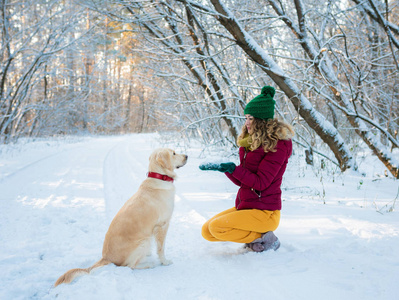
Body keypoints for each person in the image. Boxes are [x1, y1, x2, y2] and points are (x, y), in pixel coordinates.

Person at [199, 86, 294, 252]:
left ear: (261, 121)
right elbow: (243, 181)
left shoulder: (277, 145)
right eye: (246, 118)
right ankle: (257, 238)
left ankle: (267, 239)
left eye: (251, 118)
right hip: (248, 206)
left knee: (216, 228)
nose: (247, 122)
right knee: (207, 231)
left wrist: (235, 169)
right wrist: (226, 169)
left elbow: (260, 183)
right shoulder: (249, 144)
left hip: (266, 212)